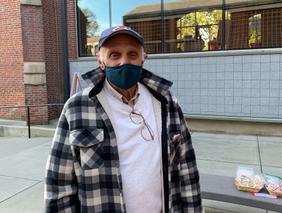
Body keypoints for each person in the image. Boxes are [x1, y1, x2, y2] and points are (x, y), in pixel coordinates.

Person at [45, 25, 202, 213]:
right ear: (100, 61)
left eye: (132, 55)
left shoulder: (167, 103)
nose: (124, 62)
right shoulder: (77, 108)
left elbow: (187, 171)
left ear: (143, 59)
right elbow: (59, 184)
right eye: (114, 55)